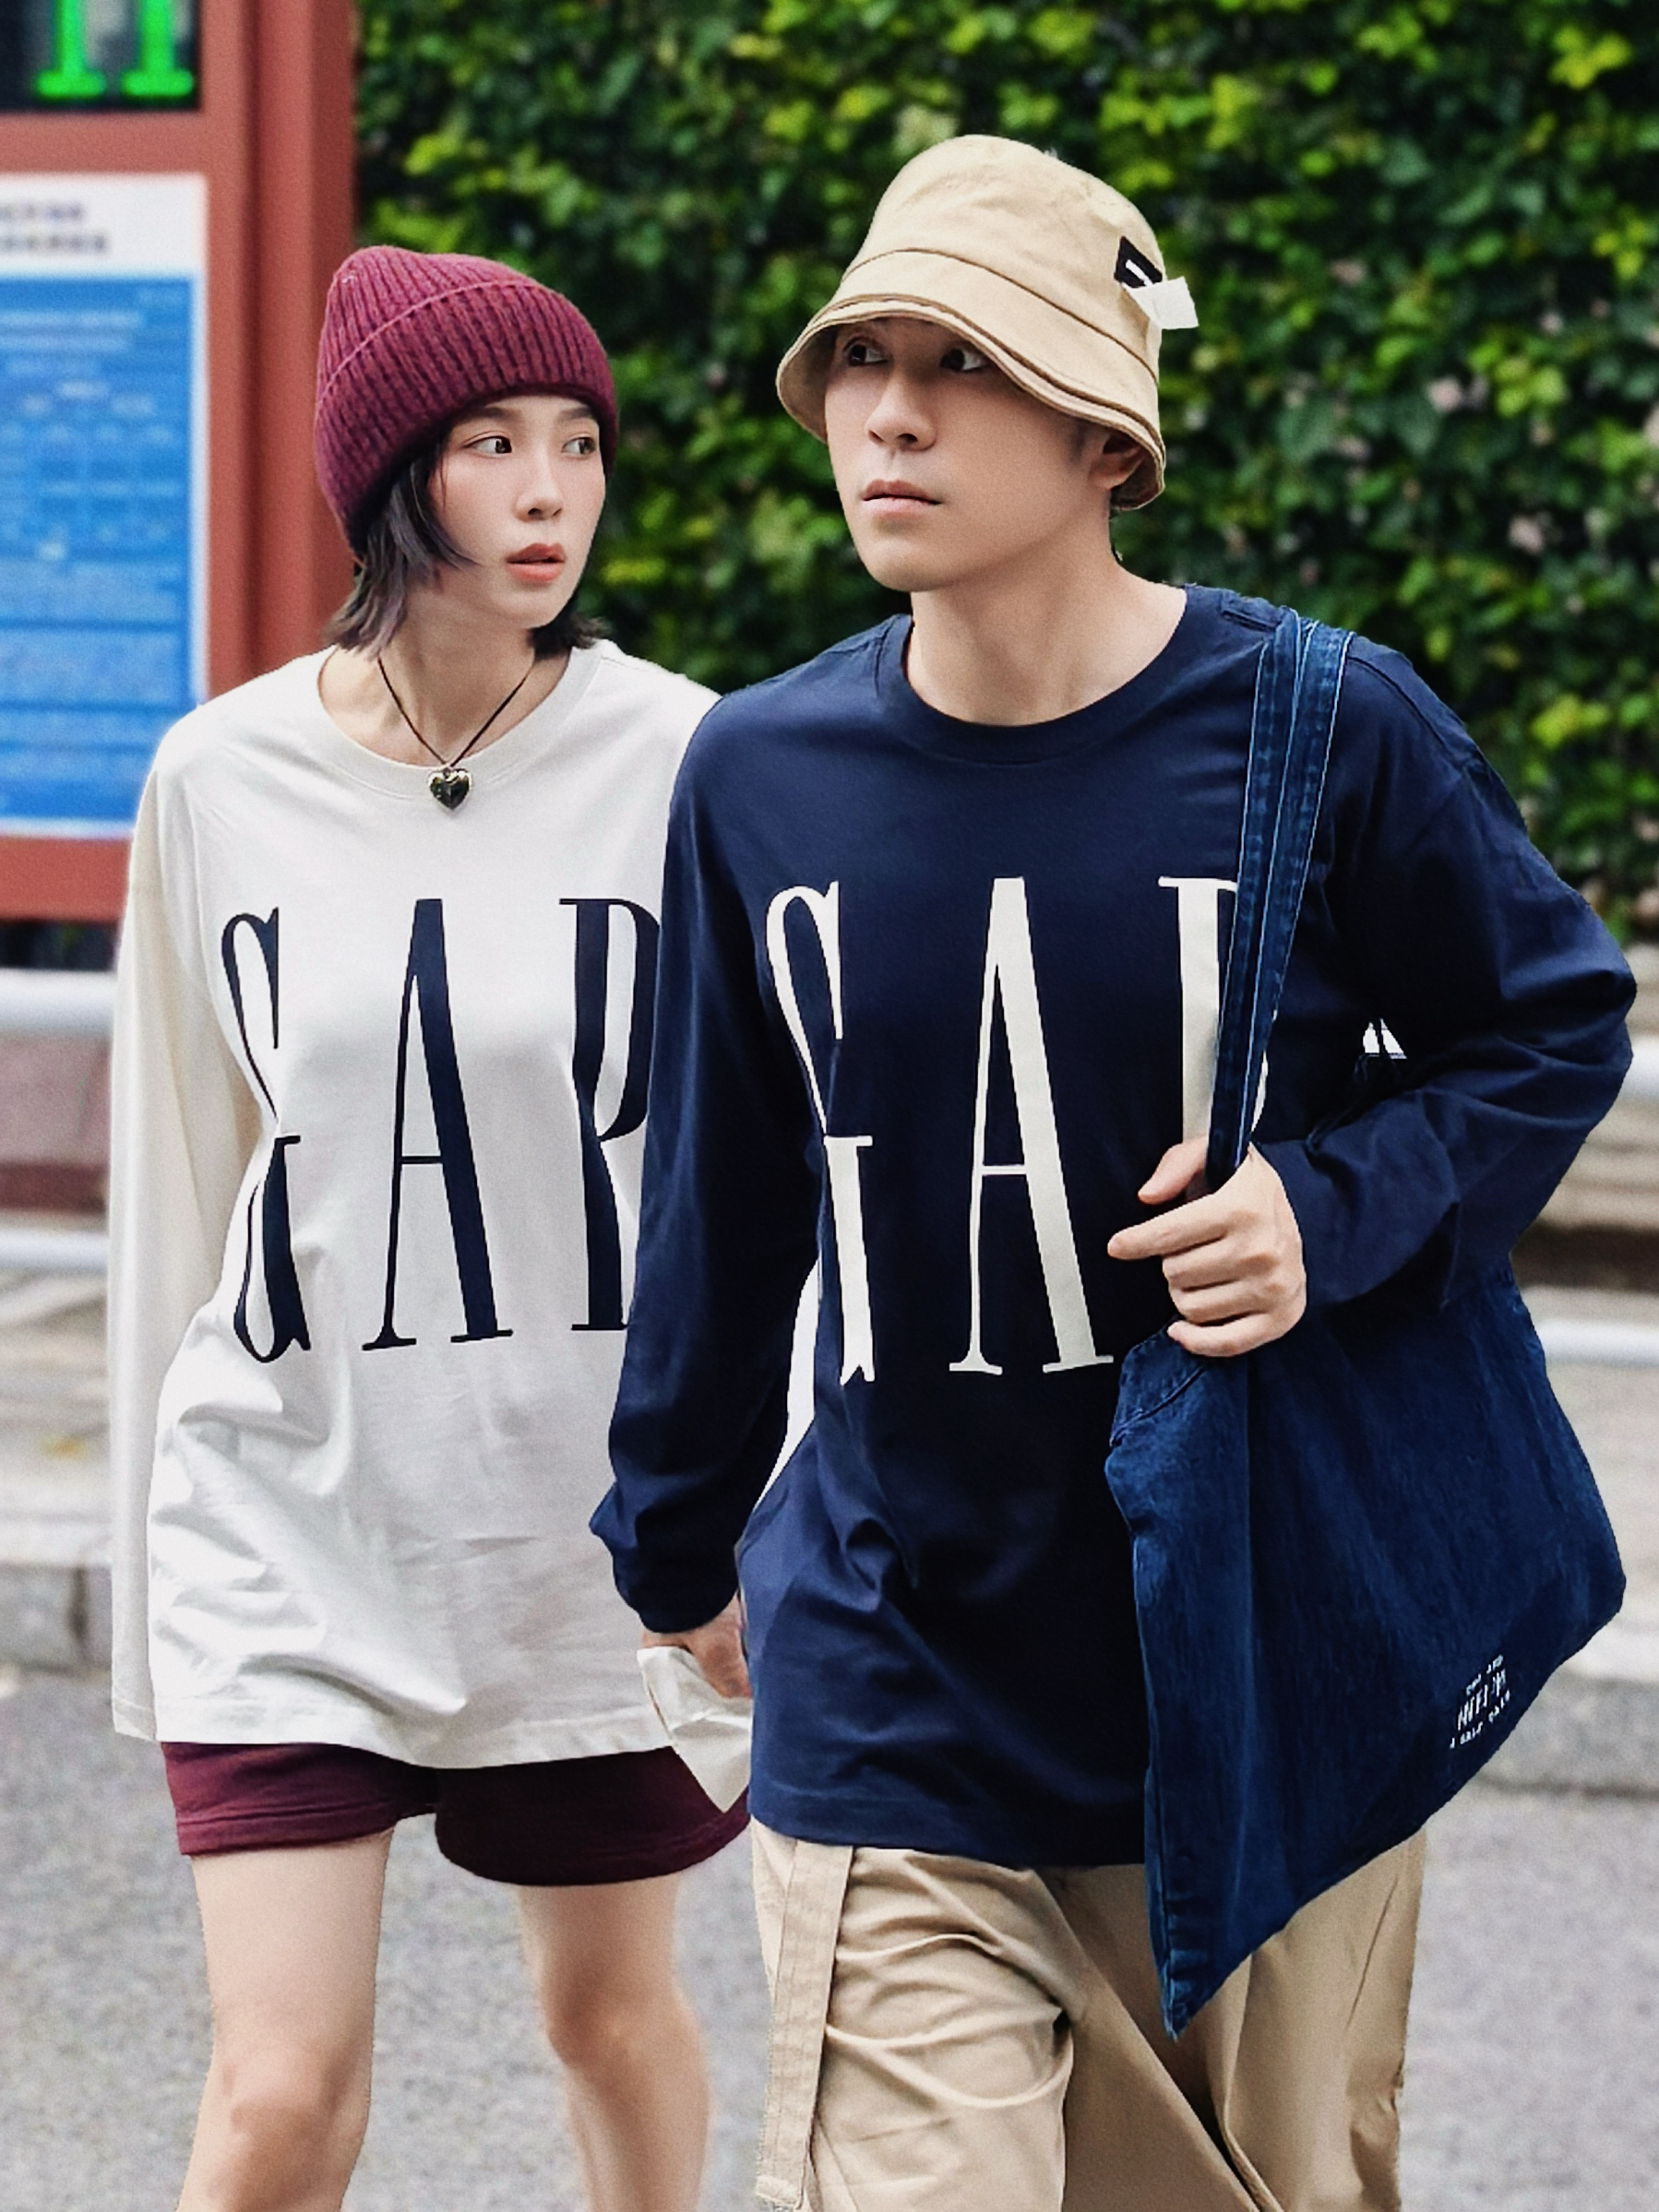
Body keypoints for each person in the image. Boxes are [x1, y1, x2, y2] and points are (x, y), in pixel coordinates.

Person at [591, 136, 1634, 2212]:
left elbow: (1551, 1023)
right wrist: (675, 1540)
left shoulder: (1323, 729)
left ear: (1102, 435)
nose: (886, 414)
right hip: (892, 1674)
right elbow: (724, 1191)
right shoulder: (759, 776)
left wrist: (1322, 1210)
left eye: (958, 363)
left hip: (1261, 1663)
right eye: (861, 358)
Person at [108, 244, 740, 2212]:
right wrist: (150, 1568)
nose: (551, 492)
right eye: (492, 445)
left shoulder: (690, 759)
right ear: (395, 476)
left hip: (582, 1525)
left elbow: (752, 1175)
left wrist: (747, 1499)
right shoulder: (220, 776)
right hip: (288, 1519)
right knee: (278, 2093)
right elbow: (184, 1179)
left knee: (604, 2020)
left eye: (579, 443)